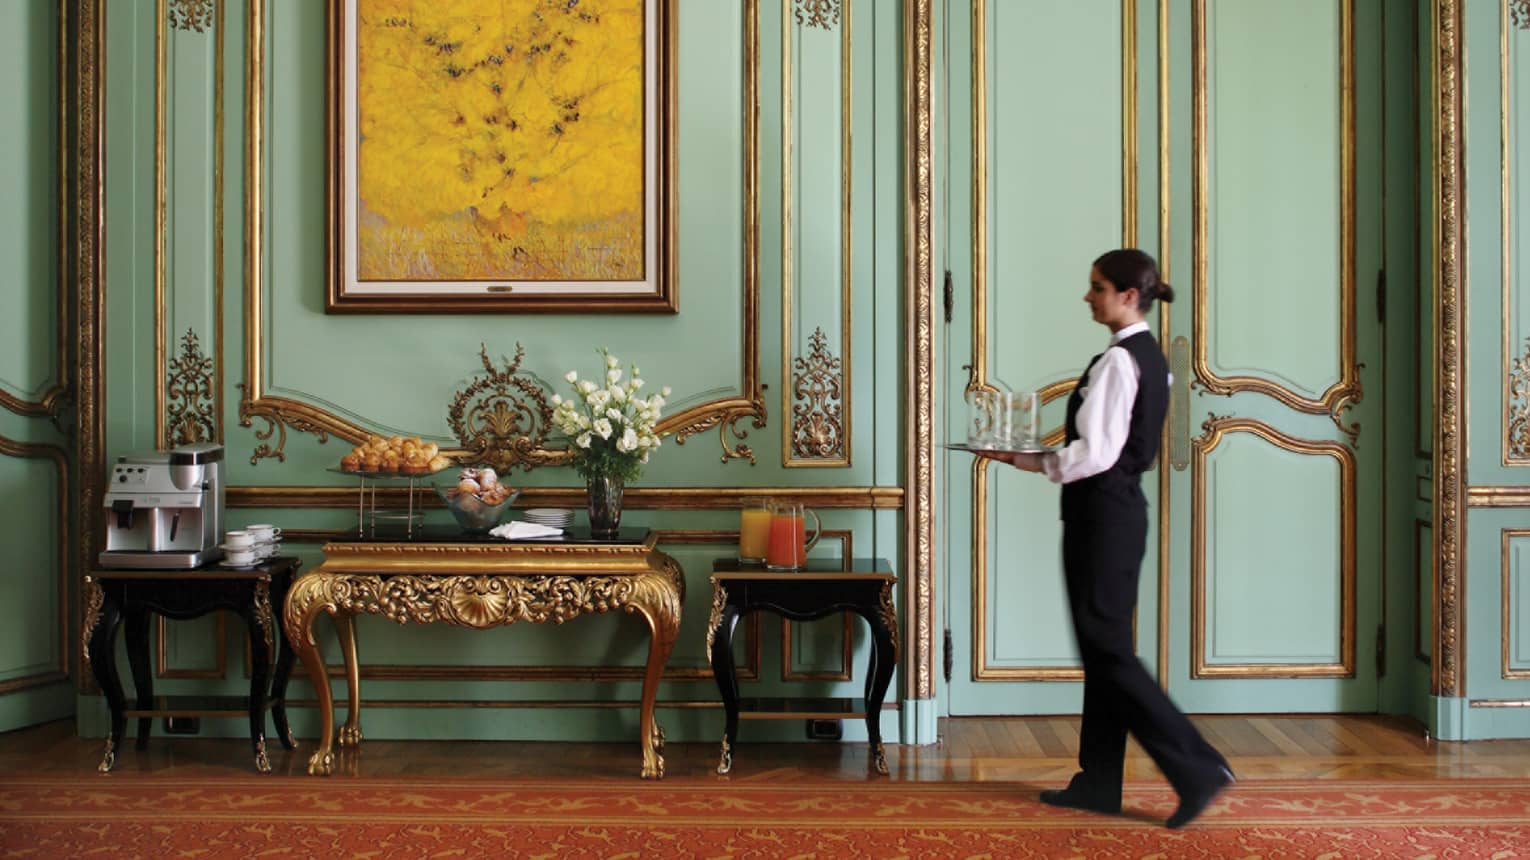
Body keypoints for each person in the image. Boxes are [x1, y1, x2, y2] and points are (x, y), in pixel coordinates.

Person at [977, 248, 1233, 829]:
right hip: (1117, 515)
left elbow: (1095, 455)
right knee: (1103, 652)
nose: (1087, 296)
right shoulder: (1147, 357)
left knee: (1110, 652)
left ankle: (1198, 767)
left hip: (1104, 518)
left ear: (1128, 296)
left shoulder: (1120, 362)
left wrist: (1026, 459)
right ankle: (1097, 782)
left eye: (1097, 287)